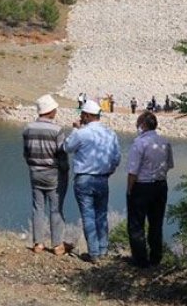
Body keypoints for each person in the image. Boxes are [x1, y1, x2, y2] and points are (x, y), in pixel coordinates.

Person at [63, 100, 121, 263]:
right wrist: (109, 171)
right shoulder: (110, 133)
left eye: (82, 115)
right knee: (101, 214)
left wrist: (75, 128)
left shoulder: (82, 133)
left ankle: (94, 253)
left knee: (88, 215)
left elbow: (67, 147)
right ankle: (103, 250)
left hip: (84, 179)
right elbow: (117, 158)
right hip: (102, 179)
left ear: (87, 116)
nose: (81, 117)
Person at [126, 112, 173, 268]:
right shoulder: (165, 142)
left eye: (138, 123)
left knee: (136, 224)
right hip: (160, 186)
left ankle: (140, 260)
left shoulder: (139, 143)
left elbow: (133, 171)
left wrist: (129, 190)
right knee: (156, 223)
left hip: (142, 186)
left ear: (143, 125)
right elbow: (169, 165)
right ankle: (156, 257)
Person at [22, 94, 68, 255]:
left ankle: (38, 244)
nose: (56, 111)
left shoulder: (28, 128)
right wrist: (65, 170)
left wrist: (33, 165)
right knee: (55, 209)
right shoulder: (57, 130)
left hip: (35, 172)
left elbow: (26, 153)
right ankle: (57, 245)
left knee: (38, 208)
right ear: (50, 111)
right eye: (54, 109)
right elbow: (62, 155)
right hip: (53, 174)